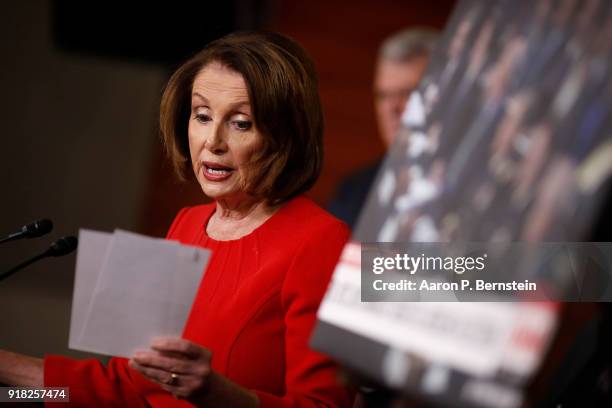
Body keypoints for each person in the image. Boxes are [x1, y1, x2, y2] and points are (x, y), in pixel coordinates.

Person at [0, 31, 354, 407]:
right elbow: (126, 388)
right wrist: (11, 386)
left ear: (286, 136)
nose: (212, 141)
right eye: (202, 116)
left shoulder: (324, 241)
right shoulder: (185, 222)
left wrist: (221, 396)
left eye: (241, 123)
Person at [327, 28, 438, 229]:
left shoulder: (466, 184)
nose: (391, 108)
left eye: (407, 94)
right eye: (383, 96)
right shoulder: (353, 191)